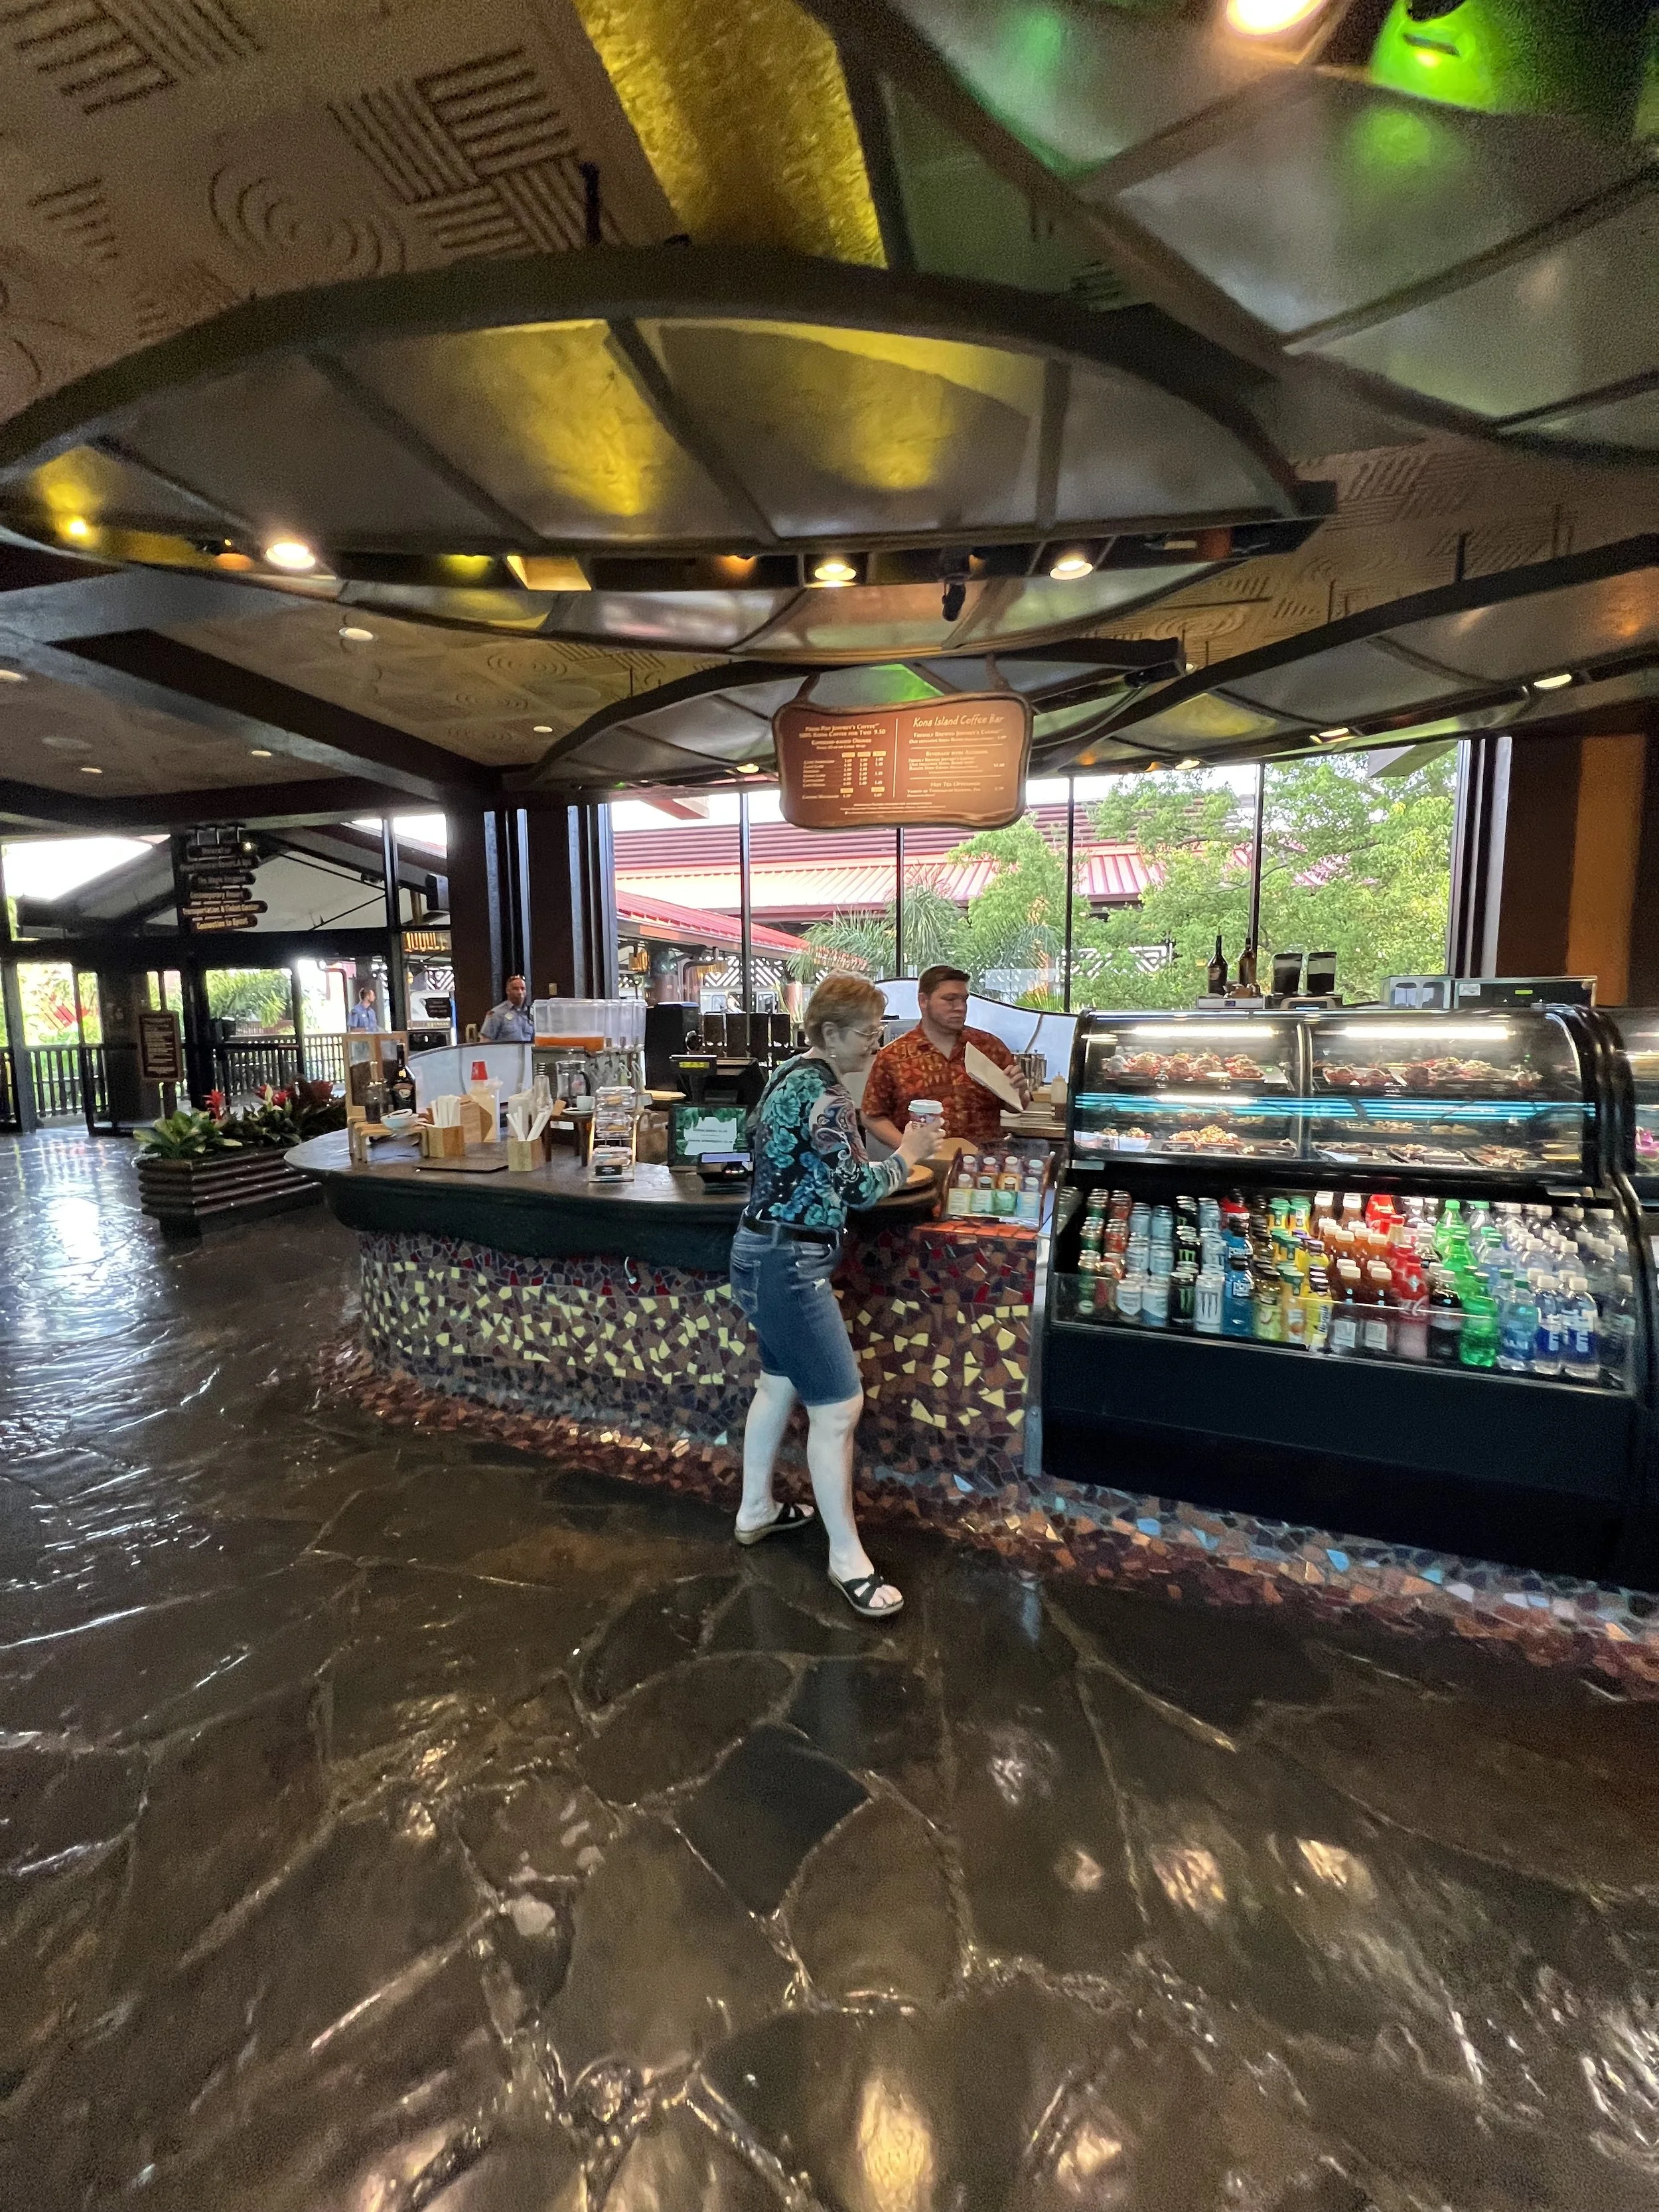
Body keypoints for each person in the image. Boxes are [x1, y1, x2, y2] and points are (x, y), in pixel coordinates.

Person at [729, 972, 938, 1620]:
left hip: (757, 1252)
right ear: (829, 1032)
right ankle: (846, 1558)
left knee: (777, 1386)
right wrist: (911, 1152)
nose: (875, 1047)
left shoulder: (788, 1075)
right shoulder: (828, 1098)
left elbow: (747, 1140)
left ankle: (756, 1510)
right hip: (790, 1263)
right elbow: (855, 1188)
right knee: (840, 1408)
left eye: (880, 1033)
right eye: (868, 1035)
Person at [863, 964, 1029, 1150]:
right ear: (923, 1001)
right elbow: (872, 1115)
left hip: (982, 1167)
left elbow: (1015, 1107)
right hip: (922, 1167)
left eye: (964, 1000)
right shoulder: (894, 1056)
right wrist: (907, 1148)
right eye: (950, 1000)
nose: (960, 1008)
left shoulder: (989, 1048)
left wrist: (1020, 1091)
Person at [480, 974, 534, 1043]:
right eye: (515, 989)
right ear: (508, 991)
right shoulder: (497, 1013)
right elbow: (485, 1042)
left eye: (523, 988)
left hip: (527, 1053)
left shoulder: (530, 1014)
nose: (520, 992)